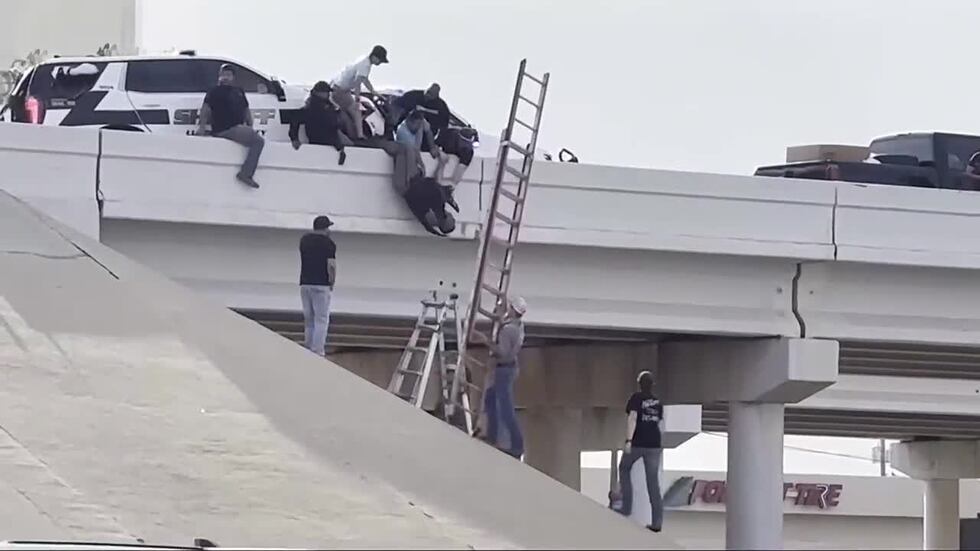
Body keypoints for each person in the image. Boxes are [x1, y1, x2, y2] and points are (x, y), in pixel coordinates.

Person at [613, 370, 664, 533]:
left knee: (624, 468)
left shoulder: (636, 398)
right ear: (652, 385)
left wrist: (628, 440)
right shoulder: (657, 402)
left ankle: (626, 507)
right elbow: (658, 423)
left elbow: (633, 418)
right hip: (654, 444)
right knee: (653, 483)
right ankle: (657, 522)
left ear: (639, 384)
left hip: (638, 443)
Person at [197, 64, 264, 188]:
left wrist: (250, 126)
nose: (225, 77)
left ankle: (246, 172)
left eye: (228, 75)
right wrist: (201, 129)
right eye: (223, 75)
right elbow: (205, 110)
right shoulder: (214, 91)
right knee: (258, 141)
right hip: (224, 129)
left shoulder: (239, 92)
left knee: (256, 139)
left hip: (237, 128)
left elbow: (246, 110)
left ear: (233, 77)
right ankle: (246, 174)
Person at [481, 296, 527, 458]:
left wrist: (486, 342)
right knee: (491, 399)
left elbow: (502, 351)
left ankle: (517, 446)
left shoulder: (508, 330)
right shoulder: (518, 326)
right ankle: (492, 436)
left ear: (513, 310)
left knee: (506, 409)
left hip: (504, 370)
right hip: (509, 368)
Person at [330, 45, 388, 141]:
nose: (380, 63)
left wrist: (373, 92)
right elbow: (358, 83)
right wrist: (357, 100)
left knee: (355, 111)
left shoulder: (364, 60)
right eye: (380, 60)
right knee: (356, 111)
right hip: (341, 91)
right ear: (374, 57)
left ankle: (358, 133)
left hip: (339, 87)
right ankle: (359, 136)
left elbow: (364, 80)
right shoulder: (365, 65)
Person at [299, 215, 337, 356]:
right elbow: (331, 266)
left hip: (305, 283)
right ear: (325, 228)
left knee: (309, 320)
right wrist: (332, 282)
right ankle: (317, 351)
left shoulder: (304, 241)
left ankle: (308, 347)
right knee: (321, 319)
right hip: (321, 285)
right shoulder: (329, 244)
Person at [289, 81, 352, 165]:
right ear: (319, 93)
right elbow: (295, 118)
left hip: (329, 136)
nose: (328, 94)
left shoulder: (324, 104)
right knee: (350, 145)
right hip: (324, 138)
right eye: (326, 92)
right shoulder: (313, 107)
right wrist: (294, 139)